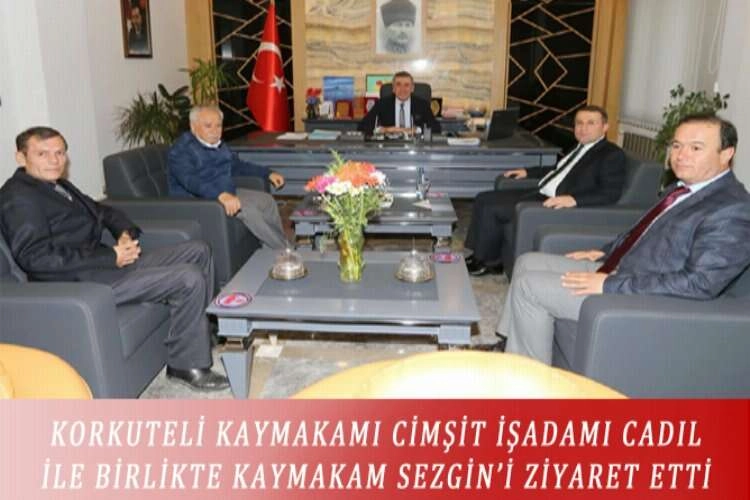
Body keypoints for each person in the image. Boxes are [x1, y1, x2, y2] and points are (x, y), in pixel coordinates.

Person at [500, 114, 750, 365]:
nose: (681, 155)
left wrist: (610, 285)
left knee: (530, 287)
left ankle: (528, 378)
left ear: (726, 154)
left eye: (696, 148)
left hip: (641, 294)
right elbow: (645, 231)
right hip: (623, 269)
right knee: (527, 262)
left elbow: (700, 283)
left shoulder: (731, 209)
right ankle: (512, 343)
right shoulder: (683, 188)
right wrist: (606, 252)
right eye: (677, 146)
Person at [0, 126, 228, 391]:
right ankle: (186, 365)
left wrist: (124, 233)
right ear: (21, 157)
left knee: (198, 249)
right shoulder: (18, 197)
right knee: (188, 277)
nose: (54, 160)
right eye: (43, 154)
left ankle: (202, 332)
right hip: (80, 283)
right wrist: (111, 256)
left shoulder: (56, 184)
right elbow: (35, 257)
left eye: (60, 153)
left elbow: (102, 211)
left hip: (103, 265)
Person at [464, 105, 626, 276]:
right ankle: (480, 254)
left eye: (591, 123)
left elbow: (610, 193)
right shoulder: (580, 147)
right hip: (541, 192)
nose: (583, 128)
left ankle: (488, 262)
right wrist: (528, 172)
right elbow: (558, 169)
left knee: (493, 208)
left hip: (555, 202)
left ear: (605, 127)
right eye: (579, 123)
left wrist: (573, 200)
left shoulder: (611, 154)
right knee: (483, 198)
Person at [168, 105, 289, 249]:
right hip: (200, 200)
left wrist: (267, 173)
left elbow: (238, 166)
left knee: (267, 201)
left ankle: (279, 246)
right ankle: (283, 251)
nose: (215, 131)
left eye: (218, 126)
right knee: (250, 211)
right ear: (193, 127)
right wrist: (220, 195)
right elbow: (190, 181)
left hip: (224, 192)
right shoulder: (181, 150)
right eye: (208, 126)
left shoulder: (218, 145)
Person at [358, 71, 441, 136]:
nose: (402, 89)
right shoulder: (382, 104)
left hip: (415, 145)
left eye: (406, 85)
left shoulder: (422, 104)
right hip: (389, 145)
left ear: (412, 88)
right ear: (393, 88)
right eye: (398, 85)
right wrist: (385, 130)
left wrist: (416, 130)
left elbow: (436, 128)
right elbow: (362, 126)